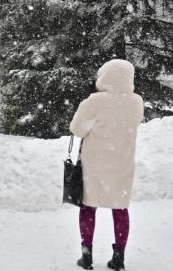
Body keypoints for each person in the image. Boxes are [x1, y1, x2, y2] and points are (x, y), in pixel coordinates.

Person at [69, 59, 144, 270]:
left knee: (87, 208)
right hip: (123, 164)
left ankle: (87, 256)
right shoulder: (136, 102)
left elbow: (76, 129)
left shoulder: (94, 101)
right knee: (120, 210)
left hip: (94, 165)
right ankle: (118, 258)